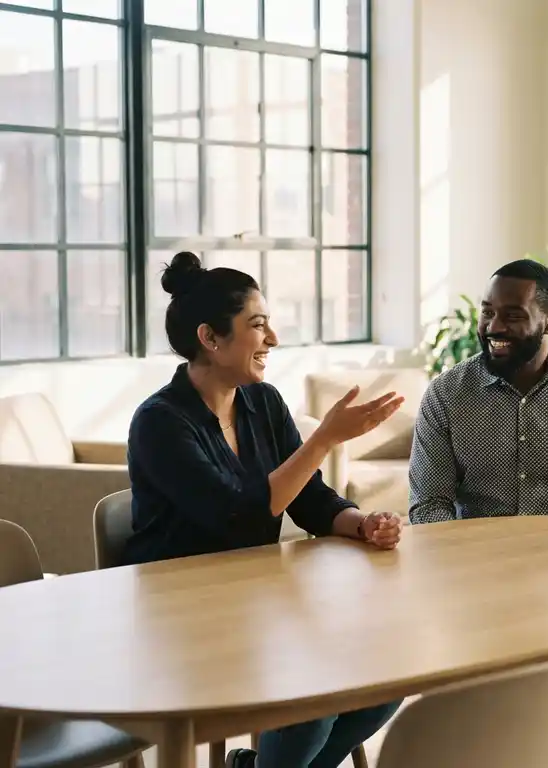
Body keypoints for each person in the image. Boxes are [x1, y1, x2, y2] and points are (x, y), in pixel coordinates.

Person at [123, 251, 405, 768]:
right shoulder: (159, 423)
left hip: (252, 604)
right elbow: (241, 519)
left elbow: (311, 500)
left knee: (385, 677)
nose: (272, 339)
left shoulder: (263, 403)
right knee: (311, 698)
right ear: (211, 338)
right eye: (258, 325)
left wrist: (360, 524)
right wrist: (323, 438)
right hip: (181, 620)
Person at [407, 258, 548, 741]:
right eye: (488, 312)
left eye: (512, 315)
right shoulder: (446, 395)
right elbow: (428, 507)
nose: (494, 326)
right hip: (473, 581)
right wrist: (481, 571)